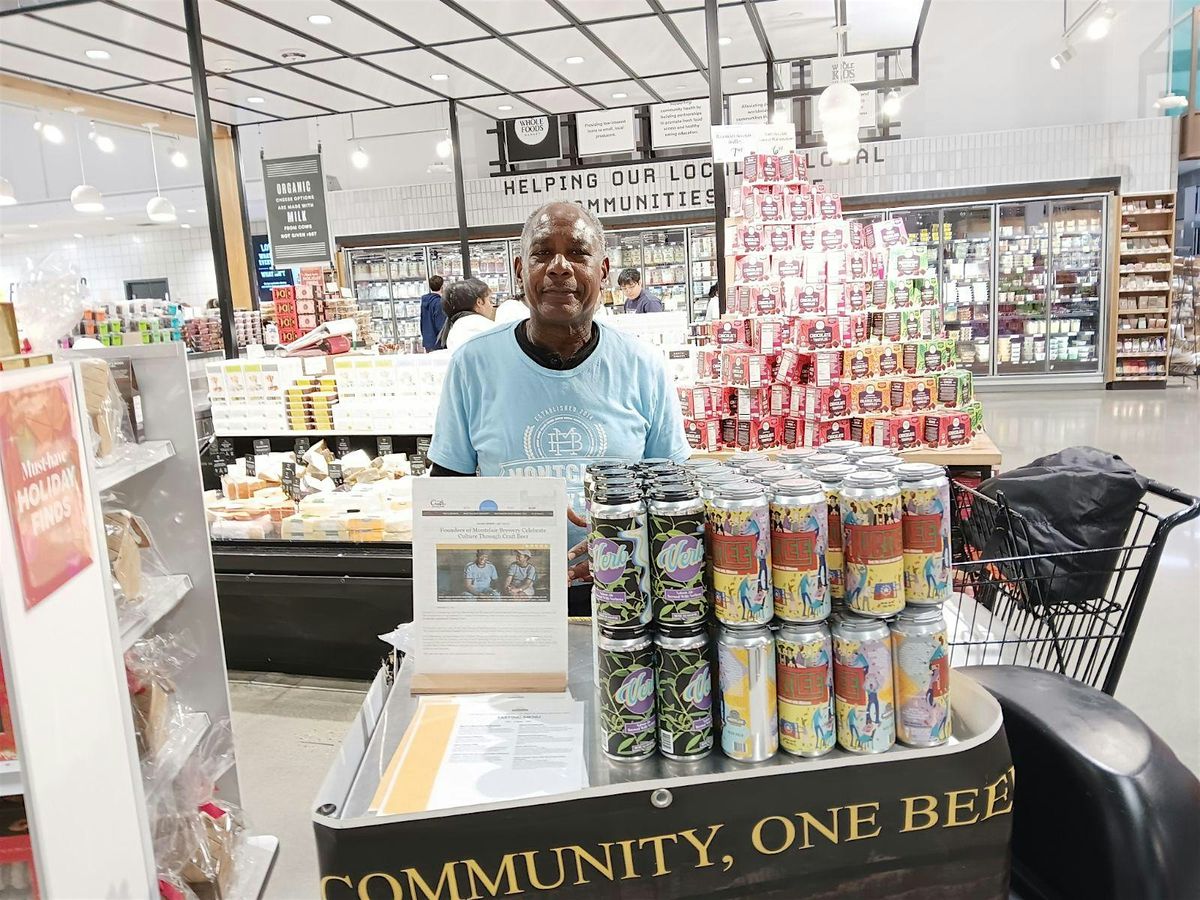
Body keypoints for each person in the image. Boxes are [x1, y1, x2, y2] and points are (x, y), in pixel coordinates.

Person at [427, 200, 689, 598]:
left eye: (579, 253)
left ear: (602, 272)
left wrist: (618, 546)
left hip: (627, 597)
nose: (560, 266)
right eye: (542, 253)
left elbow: (675, 500)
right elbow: (446, 501)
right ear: (520, 271)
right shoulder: (473, 365)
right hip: (515, 596)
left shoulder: (642, 366)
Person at [436, 277, 498, 352]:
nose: (492, 305)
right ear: (479, 302)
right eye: (490, 300)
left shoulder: (454, 329)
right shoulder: (485, 328)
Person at [419, 275, 447, 351]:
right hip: (438, 343)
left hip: (428, 341)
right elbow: (441, 325)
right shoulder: (439, 303)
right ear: (442, 287)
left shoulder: (425, 301)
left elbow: (422, 322)